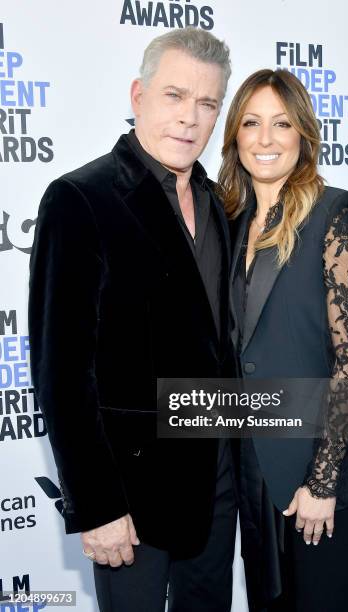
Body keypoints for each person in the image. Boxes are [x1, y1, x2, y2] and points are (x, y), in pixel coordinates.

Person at [28, 27, 239, 612]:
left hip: (214, 484)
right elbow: (61, 373)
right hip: (128, 496)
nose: (190, 119)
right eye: (175, 96)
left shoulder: (219, 203)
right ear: (137, 95)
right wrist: (96, 507)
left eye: (207, 104)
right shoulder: (80, 198)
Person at [217, 69, 348, 611]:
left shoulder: (335, 212)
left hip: (320, 475)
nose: (265, 139)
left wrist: (324, 482)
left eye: (281, 124)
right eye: (251, 123)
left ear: (304, 134)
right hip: (253, 474)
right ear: (234, 135)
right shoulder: (229, 219)